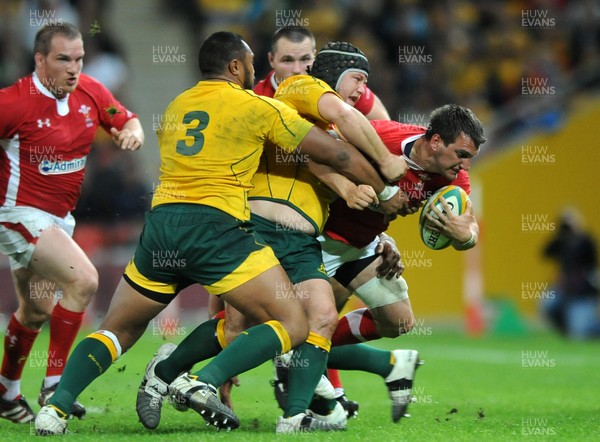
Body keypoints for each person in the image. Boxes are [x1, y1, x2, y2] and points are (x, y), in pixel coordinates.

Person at [34, 31, 405, 436]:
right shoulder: (256, 106)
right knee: (295, 323)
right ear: (235, 66)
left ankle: (55, 409)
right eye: (248, 64)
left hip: (161, 226)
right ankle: (196, 382)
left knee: (117, 328)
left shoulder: (178, 104)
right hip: (217, 229)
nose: (253, 72)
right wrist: (385, 190)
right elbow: (335, 153)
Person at [0, 22, 144, 424]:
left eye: (78, 58)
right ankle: (55, 386)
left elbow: (127, 119)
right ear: (40, 59)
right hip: (18, 215)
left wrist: (131, 133)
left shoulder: (91, 92)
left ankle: (5, 391)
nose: (73, 68)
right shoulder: (13, 103)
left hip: (59, 220)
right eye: (63, 59)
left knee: (35, 310)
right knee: (84, 281)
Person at [254, 25, 390, 120]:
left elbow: (386, 128)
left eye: (305, 59)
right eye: (287, 60)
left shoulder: (340, 84)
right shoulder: (258, 100)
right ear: (271, 60)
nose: (297, 69)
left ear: (314, 56)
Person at [541, 208, 600, 339]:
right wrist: (558, 233)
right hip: (564, 288)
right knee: (547, 304)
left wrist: (578, 228)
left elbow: (593, 264)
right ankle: (565, 330)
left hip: (582, 293)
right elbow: (545, 252)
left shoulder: (586, 241)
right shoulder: (562, 241)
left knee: (580, 333)